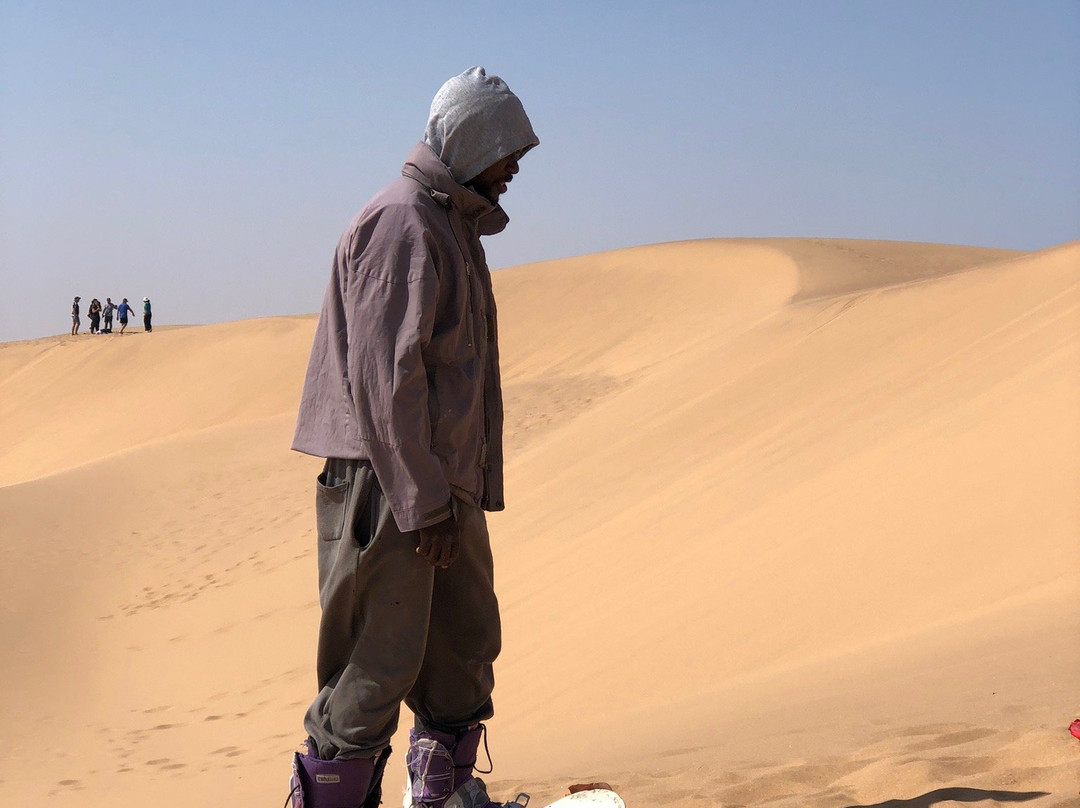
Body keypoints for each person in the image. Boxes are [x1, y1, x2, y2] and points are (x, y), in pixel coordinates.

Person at [287, 67, 538, 808]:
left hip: (440, 482)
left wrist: (447, 496)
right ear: (472, 139)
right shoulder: (403, 223)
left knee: (463, 650)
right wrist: (423, 502)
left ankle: (443, 797)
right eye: (507, 148)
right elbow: (384, 382)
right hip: (391, 482)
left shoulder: (450, 224)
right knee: (375, 664)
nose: (515, 165)